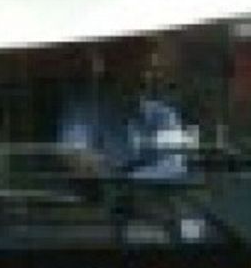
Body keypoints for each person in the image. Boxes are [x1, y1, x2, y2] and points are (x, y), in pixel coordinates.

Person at [58, 37, 193, 180]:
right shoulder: (85, 113)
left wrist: (123, 181)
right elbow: (76, 157)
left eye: (150, 70)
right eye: (137, 69)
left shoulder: (164, 116)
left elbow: (173, 165)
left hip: (154, 199)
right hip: (102, 199)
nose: (146, 78)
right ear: (113, 68)